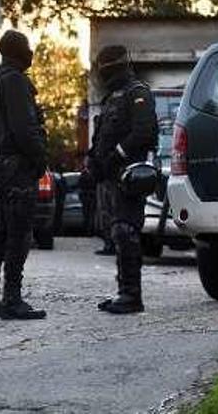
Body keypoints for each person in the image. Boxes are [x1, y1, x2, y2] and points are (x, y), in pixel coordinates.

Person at [0, 30, 48, 321]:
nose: (31, 53)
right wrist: (40, 156)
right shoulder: (14, 80)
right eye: (28, 48)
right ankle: (11, 300)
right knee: (18, 235)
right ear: (18, 52)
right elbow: (24, 128)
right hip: (17, 167)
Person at [87, 45, 158, 314]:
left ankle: (132, 295)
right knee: (117, 232)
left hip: (130, 174)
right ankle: (123, 291)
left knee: (126, 232)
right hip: (110, 177)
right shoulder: (111, 99)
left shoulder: (137, 93)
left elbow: (145, 132)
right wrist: (93, 162)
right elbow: (101, 136)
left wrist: (116, 156)